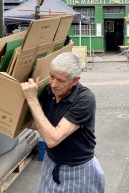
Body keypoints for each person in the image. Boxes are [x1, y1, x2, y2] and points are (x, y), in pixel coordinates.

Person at [20, 52, 105, 192]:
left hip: (79, 171)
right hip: (51, 163)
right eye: (52, 76)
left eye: (60, 80)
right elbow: (44, 126)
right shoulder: (48, 92)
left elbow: (52, 138)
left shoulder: (85, 99)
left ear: (75, 80)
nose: (53, 84)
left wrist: (32, 100)